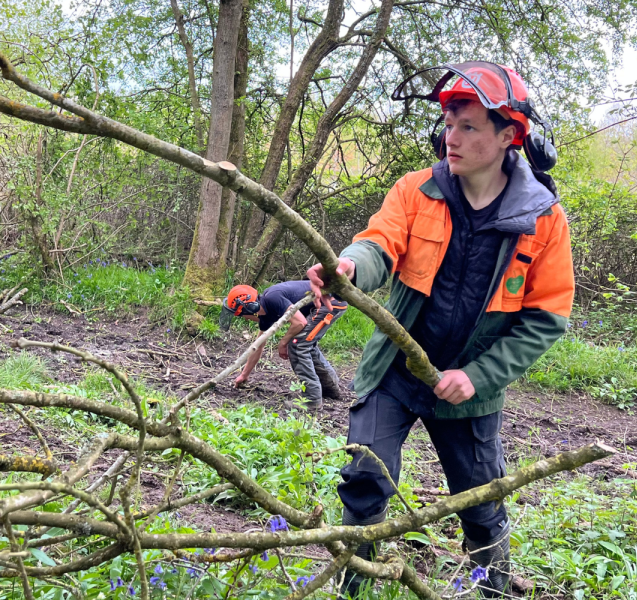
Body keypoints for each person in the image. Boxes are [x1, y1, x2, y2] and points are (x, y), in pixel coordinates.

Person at [306, 62, 574, 598]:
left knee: (480, 500)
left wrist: (477, 376)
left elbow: (546, 317)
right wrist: (350, 267)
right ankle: (353, 588)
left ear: (506, 137)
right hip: (395, 373)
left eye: (469, 126)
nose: (451, 137)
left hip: (470, 392)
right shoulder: (416, 190)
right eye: (449, 124)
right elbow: (379, 243)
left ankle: (493, 587)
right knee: (364, 480)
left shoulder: (543, 220)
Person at [221, 281, 349, 410]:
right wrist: (244, 375)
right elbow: (258, 346)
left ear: (251, 308)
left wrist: (283, 342)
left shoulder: (273, 298)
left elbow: (300, 322)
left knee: (298, 345)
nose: (245, 319)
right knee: (304, 343)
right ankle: (330, 388)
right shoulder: (266, 313)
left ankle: (312, 401)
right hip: (324, 304)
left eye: (242, 315)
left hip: (330, 302)